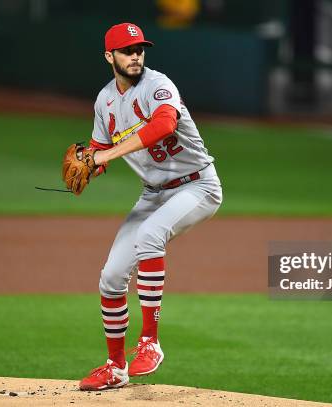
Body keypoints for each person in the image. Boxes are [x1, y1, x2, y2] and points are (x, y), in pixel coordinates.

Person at [78, 22, 223, 391]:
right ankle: (115, 366)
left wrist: (107, 153)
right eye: (127, 50)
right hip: (153, 193)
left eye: (140, 48)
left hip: (198, 185)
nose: (136, 55)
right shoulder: (104, 100)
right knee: (111, 278)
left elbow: (162, 126)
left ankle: (150, 342)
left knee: (150, 235)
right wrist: (90, 162)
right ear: (109, 56)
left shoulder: (159, 85)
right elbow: (98, 151)